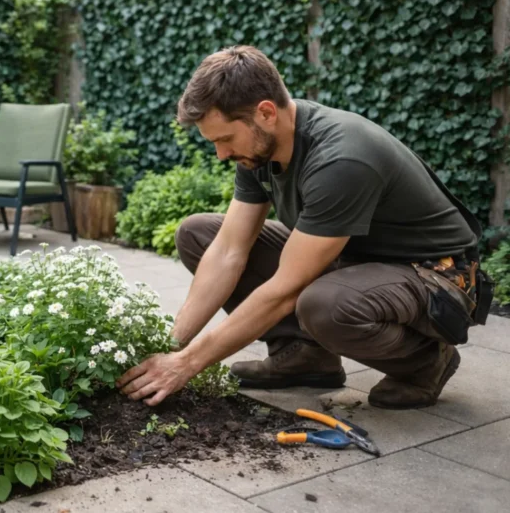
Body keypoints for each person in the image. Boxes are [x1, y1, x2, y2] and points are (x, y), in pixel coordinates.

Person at [116, 45, 492, 410]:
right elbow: (228, 251)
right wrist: (171, 345)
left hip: (437, 275)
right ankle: (304, 357)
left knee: (325, 305)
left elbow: (284, 290)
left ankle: (424, 363)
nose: (222, 154)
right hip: (356, 260)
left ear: (265, 113)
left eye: (225, 139)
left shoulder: (340, 158)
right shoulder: (259, 151)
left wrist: (187, 365)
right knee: (200, 234)